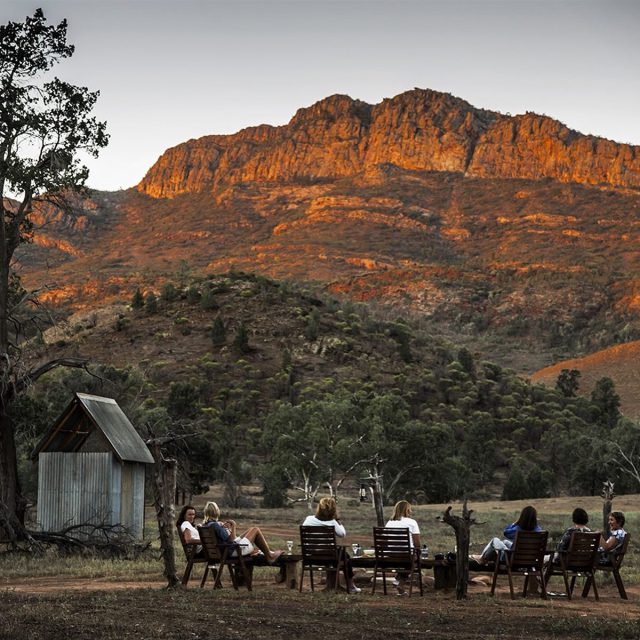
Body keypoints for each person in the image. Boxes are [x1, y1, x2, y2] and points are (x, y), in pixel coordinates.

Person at [302, 497, 361, 593]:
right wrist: (337, 520)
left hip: (311, 555)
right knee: (346, 557)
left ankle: (336, 585)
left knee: (341, 555)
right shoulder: (333, 522)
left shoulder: (309, 519)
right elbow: (342, 534)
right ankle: (351, 586)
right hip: (330, 556)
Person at [201, 501, 283, 563]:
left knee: (250, 530)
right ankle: (269, 556)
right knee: (255, 529)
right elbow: (231, 540)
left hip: (224, 551)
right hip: (231, 551)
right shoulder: (215, 525)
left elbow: (225, 539)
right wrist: (233, 526)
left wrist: (226, 529)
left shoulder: (206, 525)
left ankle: (268, 553)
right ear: (216, 511)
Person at [475, 505, 543, 564]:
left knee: (495, 540)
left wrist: (514, 523)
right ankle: (484, 558)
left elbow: (506, 532)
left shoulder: (518, 529)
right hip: (531, 560)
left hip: (511, 559)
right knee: (505, 542)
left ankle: (482, 558)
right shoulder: (539, 531)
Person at [385, 500, 421, 595]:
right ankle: (400, 583)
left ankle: (397, 579)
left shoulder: (389, 523)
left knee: (410, 558)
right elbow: (417, 543)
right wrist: (419, 551)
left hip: (391, 555)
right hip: (406, 555)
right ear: (407, 510)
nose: (411, 511)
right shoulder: (412, 522)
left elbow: (386, 540)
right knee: (414, 560)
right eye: (410, 509)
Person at [543, 507, 590, 576]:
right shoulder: (590, 532)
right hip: (584, 562)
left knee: (542, 559)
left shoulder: (570, 532)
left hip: (566, 562)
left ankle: (540, 582)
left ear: (574, 519)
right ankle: (542, 580)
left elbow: (560, 548)